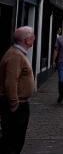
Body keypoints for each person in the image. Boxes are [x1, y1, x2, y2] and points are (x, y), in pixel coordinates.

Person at [0, 26, 36, 154]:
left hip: (20, 103)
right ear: (27, 40)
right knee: (13, 140)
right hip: (17, 105)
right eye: (32, 36)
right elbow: (10, 82)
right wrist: (14, 104)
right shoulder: (15, 56)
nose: (34, 38)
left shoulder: (17, 54)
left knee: (15, 139)